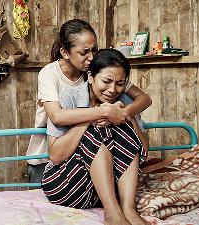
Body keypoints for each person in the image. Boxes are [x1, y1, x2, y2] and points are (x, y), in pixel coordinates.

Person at [26, 19, 152, 183]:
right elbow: (57, 116)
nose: (91, 57)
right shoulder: (49, 74)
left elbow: (144, 98)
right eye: (84, 52)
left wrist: (123, 113)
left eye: (94, 49)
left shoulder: (99, 70)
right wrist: (106, 112)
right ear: (65, 52)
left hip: (87, 154)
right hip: (48, 152)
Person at [42, 49, 149, 225]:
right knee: (91, 131)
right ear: (91, 77)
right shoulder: (69, 97)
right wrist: (93, 116)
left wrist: (125, 117)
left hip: (104, 191)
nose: (112, 89)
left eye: (120, 83)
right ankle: (113, 215)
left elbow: (144, 148)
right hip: (68, 185)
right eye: (106, 81)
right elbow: (55, 155)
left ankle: (128, 209)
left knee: (123, 123)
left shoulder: (124, 100)